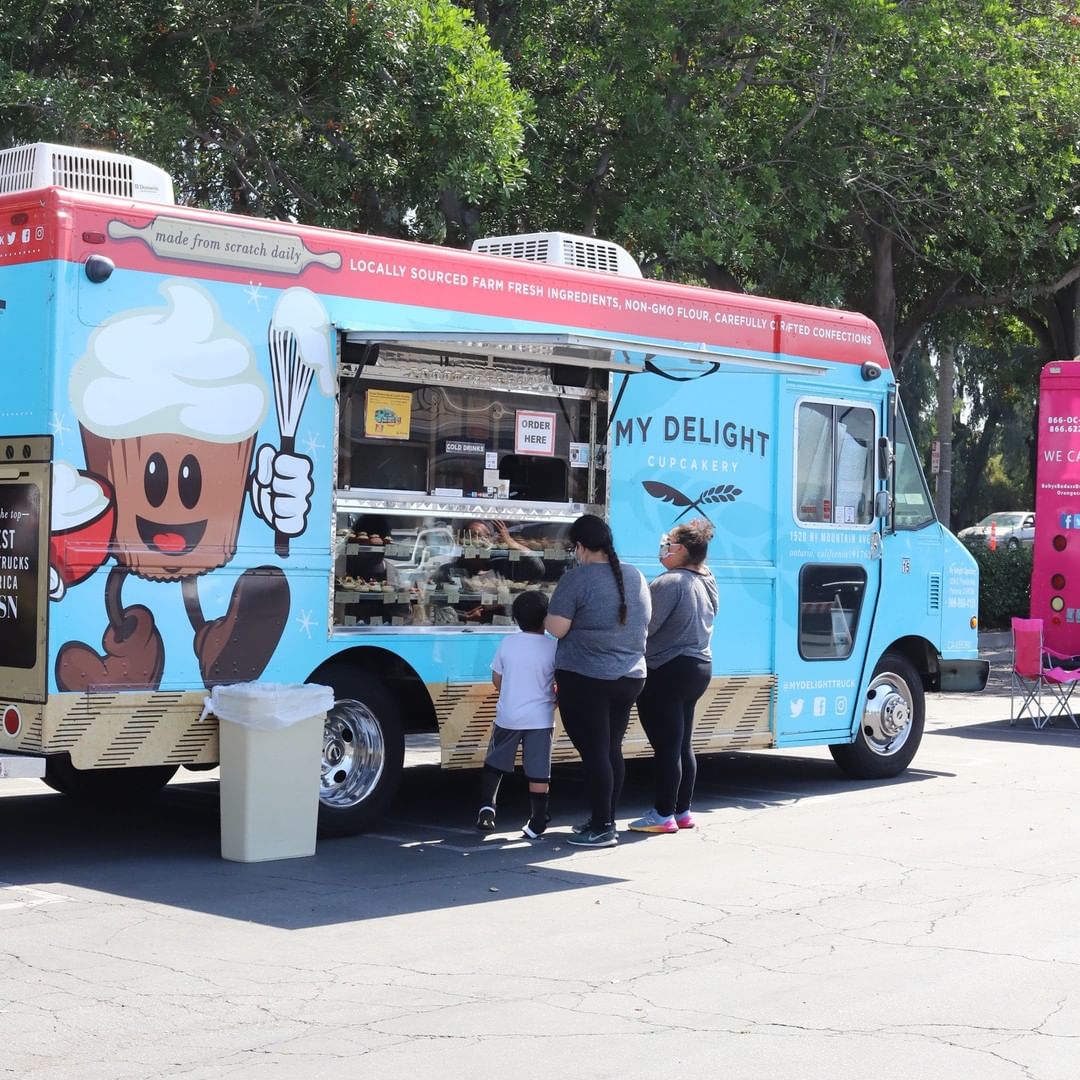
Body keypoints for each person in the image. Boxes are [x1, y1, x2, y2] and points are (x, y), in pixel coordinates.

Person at [544, 514, 651, 848]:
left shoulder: (577, 579)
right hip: (630, 676)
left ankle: (603, 827)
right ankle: (604, 817)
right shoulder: (634, 575)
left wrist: (547, 615)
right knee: (609, 749)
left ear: (579, 546)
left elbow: (557, 628)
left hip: (587, 677)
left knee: (594, 753)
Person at [629, 519, 718, 835]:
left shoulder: (671, 582)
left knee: (666, 746)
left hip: (666, 668)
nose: (663, 549)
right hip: (698, 667)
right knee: (682, 743)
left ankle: (663, 813)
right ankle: (682, 811)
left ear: (681, 550)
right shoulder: (707, 578)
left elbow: (646, 625)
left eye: (668, 544)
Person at [476, 589, 558, 838]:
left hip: (508, 716)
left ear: (515, 619)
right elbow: (559, 681)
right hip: (541, 719)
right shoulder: (553, 647)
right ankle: (537, 820)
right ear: (546, 618)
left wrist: (511, 691)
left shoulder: (508, 643)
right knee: (538, 771)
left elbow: (497, 678)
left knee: (495, 764)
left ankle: (487, 808)